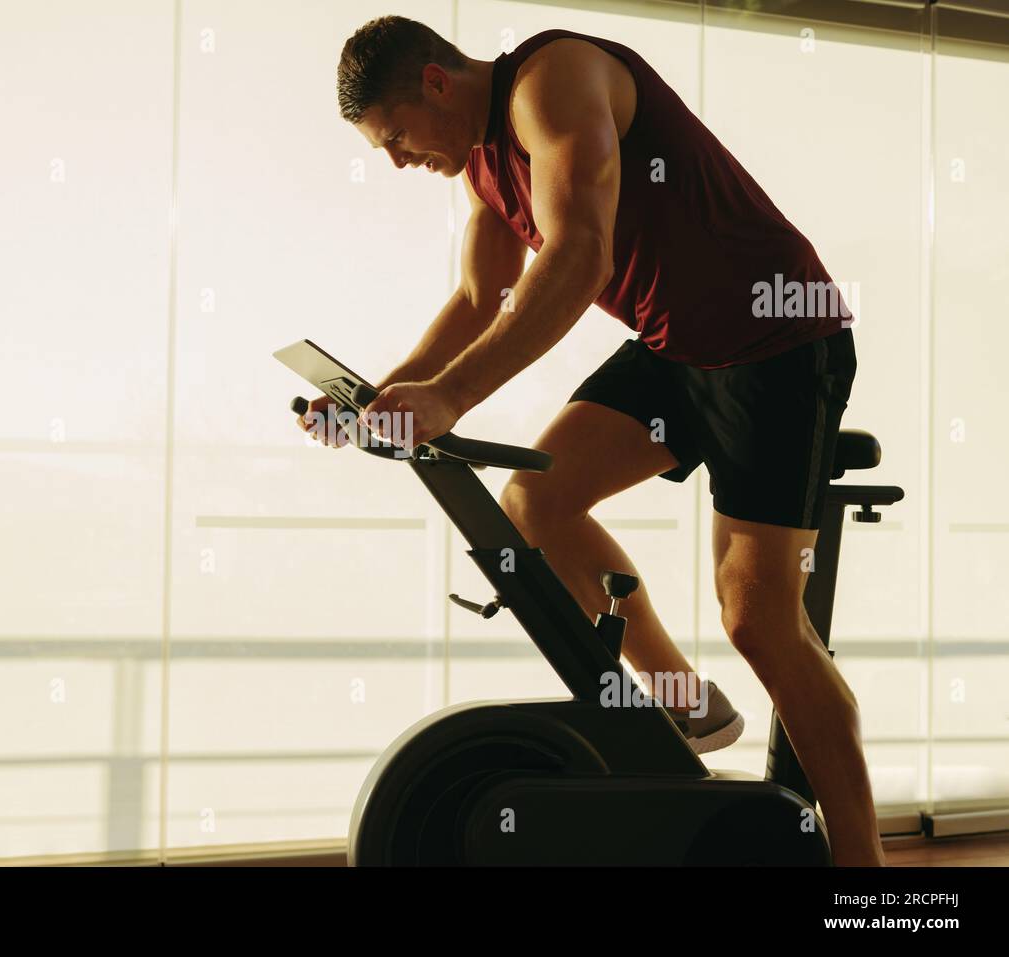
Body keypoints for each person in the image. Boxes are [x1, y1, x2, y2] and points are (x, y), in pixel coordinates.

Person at [301, 15, 882, 867]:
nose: (395, 161)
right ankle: (685, 700)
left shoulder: (554, 81)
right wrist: (381, 399)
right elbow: (477, 298)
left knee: (760, 619)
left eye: (394, 138)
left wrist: (451, 396)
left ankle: (866, 880)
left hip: (777, 342)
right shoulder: (484, 171)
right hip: (676, 347)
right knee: (535, 499)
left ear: (434, 83)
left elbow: (579, 254)